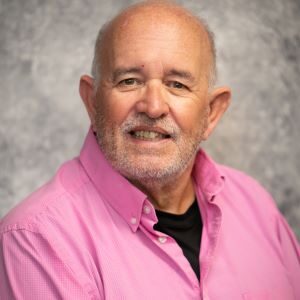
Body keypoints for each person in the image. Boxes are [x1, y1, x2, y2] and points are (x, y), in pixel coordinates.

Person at [0, 1, 299, 299]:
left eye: (177, 85)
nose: (153, 107)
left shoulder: (256, 205)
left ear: (211, 113)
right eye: (129, 81)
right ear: (92, 102)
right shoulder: (36, 239)